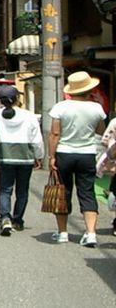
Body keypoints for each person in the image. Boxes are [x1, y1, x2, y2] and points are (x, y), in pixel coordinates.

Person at [49, 71, 105, 247]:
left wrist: (51, 156)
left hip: (64, 153)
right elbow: (100, 131)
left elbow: (55, 134)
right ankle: (90, 233)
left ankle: (63, 233)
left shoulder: (61, 107)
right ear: (88, 90)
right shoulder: (96, 108)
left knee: (62, 193)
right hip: (87, 154)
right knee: (87, 192)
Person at [0, 86, 43, 236]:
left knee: (5, 189)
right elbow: (37, 140)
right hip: (25, 157)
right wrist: (39, 156)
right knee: (22, 190)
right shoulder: (29, 116)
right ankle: (18, 220)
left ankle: (5, 218)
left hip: (5, 157)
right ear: (17, 99)